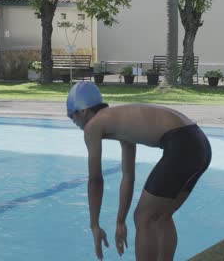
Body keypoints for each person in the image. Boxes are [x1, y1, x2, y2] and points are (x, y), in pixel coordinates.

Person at [66, 81, 211, 261]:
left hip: (182, 145)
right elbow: (128, 176)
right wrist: (120, 221)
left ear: (83, 111)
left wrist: (94, 225)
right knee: (162, 216)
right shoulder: (120, 121)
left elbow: (95, 180)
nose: (76, 124)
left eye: (72, 118)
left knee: (144, 217)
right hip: (199, 144)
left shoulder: (93, 125)